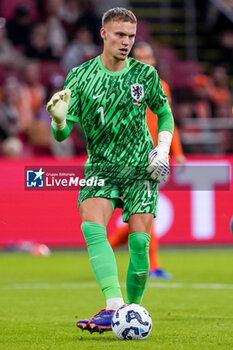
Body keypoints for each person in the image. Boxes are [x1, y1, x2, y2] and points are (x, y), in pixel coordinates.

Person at [46, 7, 174, 334]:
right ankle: (114, 307)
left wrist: (161, 147)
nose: (126, 42)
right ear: (104, 34)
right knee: (92, 226)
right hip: (101, 166)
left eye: (131, 36)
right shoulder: (80, 76)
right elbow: (61, 134)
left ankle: (133, 308)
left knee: (140, 244)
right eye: (119, 35)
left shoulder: (145, 75)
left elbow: (164, 113)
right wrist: (59, 120)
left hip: (138, 167)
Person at [109, 42, 185, 279]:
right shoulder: (121, 85)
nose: (142, 61)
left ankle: (107, 248)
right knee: (145, 212)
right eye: (138, 57)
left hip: (156, 158)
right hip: (130, 158)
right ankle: (152, 266)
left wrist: (176, 150)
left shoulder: (162, 87)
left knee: (141, 214)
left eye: (147, 57)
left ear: (153, 61)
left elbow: (166, 119)